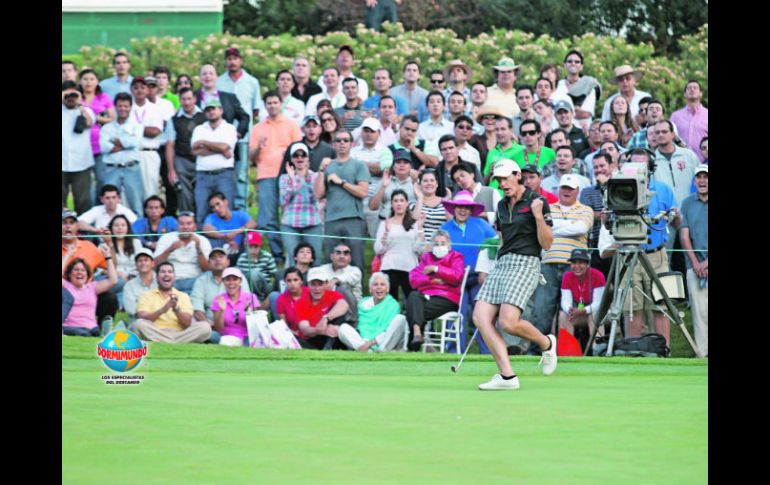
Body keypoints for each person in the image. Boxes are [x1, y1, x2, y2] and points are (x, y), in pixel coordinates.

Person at [473, 159, 557, 390]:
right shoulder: (501, 205)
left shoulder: (538, 201)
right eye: (498, 180)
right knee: (480, 317)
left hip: (527, 262)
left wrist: (538, 216)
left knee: (508, 322)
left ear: (517, 175)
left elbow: (547, 244)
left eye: (505, 178)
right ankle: (507, 376)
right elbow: (503, 239)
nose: (502, 183)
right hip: (503, 263)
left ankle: (547, 343)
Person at [530, 174, 594, 352]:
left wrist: (552, 226)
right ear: (559, 189)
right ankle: (538, 351)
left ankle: (572, 351)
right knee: (542, 311)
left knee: (573, 312)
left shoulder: (586, 209)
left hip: (575, 268)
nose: (566, 191)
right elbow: (540, 228)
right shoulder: (548, 207)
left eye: (570, 189)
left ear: (577, 191)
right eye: (564, 188)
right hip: (548, 263)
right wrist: (567, 225)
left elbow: (581, 228)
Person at [250, 90, 303, 263]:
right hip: (266, 175)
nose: (272, 105)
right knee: (269, 217)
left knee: (290, 214)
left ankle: (295, 252)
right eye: (269, 103)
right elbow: (251, 156)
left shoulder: (292, 124)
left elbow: (300, 150)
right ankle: (278, 254)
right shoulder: (258, 127)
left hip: (288, 174)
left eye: (275, 102)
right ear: (265, 106)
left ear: (281, 104)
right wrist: (259, 146)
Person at [314, 129, 370, 271]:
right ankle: (330, 292)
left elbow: (363, 192)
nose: (342, 143)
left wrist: (341, 183)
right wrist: (321, 171)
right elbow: (318, 194)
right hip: (331, 219)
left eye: (346, 140)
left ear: (352, 144)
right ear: (334, 144)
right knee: (329, 261)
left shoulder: (359, 165)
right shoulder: (328, 166)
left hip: (354, 219)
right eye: (338, 140)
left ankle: (356, 292)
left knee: (356, 260)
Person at [406, 230, 465, 350]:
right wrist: (431, 280)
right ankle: (417, 334)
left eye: (443, 243)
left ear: (449, 245)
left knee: (413, 310)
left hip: (447, 298)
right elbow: (413, 278)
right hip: (427, 296)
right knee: (413, 295)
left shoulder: (456, 257)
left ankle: (414, 344)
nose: (439, 246)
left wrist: (436, 268)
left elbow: (456, 276)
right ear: (432, 245)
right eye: (436, 244)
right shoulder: (426, 257)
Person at [132, 262, 212, 343]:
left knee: (205, 327)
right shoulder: (146, 295)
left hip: (180, 334)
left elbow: (187, 323)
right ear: (156, 277)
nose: (166, 274)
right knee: (139, 324)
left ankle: (165, 342)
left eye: (170, 272)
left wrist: (176, 308)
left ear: (174, 278)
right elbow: (142, 317)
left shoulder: (183, 296)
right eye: (163, 272)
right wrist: (163, 310)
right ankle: (175, 342)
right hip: (156, 331)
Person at [192, 98, 239, 227]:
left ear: (221, 110)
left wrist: (204, 142)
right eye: (208, 110)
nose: (211, 112)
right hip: (203, 175)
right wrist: (220, 149)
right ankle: (204, 245)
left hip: (224, 174)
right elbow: (195, 151)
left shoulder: (229, 128)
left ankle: (230, 243)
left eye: (214, 109)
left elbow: (225, 147)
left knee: (227, 211)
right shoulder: (199, 129)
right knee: (201, 211)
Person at [98, 93, 146, 215]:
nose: (123, 109)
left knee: (136, 204)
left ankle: (138, 234)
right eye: (120, 106)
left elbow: (135, 142)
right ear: (115, 107)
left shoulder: (137, 126)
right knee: (109, 205)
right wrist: (125, 144)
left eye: (126, 106)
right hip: (111, 168)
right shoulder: (107, 127)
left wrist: (115, 142)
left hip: (131, 168)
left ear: (130, 107)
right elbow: (103, 146)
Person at [374, 190, 424, 302]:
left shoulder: (414, 224)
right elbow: (378, 250)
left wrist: (420, 230)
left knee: (413, 302)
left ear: (407, 203)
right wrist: (386, 233)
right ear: (391, 204)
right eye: (395, 201)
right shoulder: (385, 223)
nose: (399, 203)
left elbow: (418, 249)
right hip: (389, 267)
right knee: (391, 303)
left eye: (402, 200)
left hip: (410, 268)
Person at [338, 272, 408, 352]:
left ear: (387, 289)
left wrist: (371, 342)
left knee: (400, 318)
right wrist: (365, 342)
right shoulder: (363, 303)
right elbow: (360, 326)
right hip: (363, 340)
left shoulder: (393, 305)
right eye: (375, 284)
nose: (379, 287)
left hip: (384, 342)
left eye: (382, 284)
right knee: (343, 328)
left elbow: (388, 330)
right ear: (370, 289)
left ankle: (380, 350)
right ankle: (367, 351)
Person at [191, 247, 249, 343]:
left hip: (238, 326)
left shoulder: (239, 278)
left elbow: (247, 302)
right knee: (210, 334)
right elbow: (197, 309)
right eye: (213, 258)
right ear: (209, 264)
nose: (217, 259)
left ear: (228, 262)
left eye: (221, 257)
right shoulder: (201, 281)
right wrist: (207, 323)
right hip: (212, 327)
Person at [680, 164, 708, 357]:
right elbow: (684, 236)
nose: (702, 181)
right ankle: (702, 354)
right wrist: (696, 263)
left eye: (706, 177)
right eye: (699, 177)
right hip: (694, 266)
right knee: (698, 313)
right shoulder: (688, 203)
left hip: (704, 264)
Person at [164, 87, 207, 214]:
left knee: (202, 193)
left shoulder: (204, 117)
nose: (187, 102)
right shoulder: (173, 120)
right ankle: (187, 224)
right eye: (183, 99)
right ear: (179, 100)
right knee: (184, 194)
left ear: (194, 99)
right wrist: (171, 171)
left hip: (202, 160)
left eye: (189, 99)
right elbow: (170, 145)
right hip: (182, 160)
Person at [350, 118, 394, 238]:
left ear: (378, 133)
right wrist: (373, 166)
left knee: (377, 239)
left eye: (372, 131)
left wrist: (359, 165)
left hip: (377, 201)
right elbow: (350, 173)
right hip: (356, 201)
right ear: (361, 132)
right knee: (356, 241)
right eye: (366, 131)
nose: (369, 134)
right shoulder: (352, 151)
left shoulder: (385, 151)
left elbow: (383, 170)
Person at [279, 142, 324, 260]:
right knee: (294, 259)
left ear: (308, 158)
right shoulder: (284, 178)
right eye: (296, 155)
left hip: (312, 222)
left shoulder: (315, 176)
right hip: (290, 223)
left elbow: (315, 197)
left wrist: (304, 178)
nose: (300, 158)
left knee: (315, 259)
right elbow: (284, 200)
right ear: (291, 159)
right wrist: (294, 180)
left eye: (303, 155)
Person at [62, 244, 118, 336]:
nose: (80, 272)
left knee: (93, 332)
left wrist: (108, 256)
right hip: (70, 326)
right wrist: (68, 254)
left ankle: (107, 332)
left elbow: (113, 280)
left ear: (87, 275)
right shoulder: (66, 286)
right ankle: (106, 333)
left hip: (91, 327)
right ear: (69, 274)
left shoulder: (92, 287)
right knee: (83, 334)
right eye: (76, 270)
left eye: (83, 270)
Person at [558, 249, 606, 351]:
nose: (577, 266)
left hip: (600, 313)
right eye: (574, 263)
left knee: (595, 314)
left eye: (581, 263)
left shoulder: (598, 275)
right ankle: (568, 352)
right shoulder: (567, 276)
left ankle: (598, 350)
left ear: (588, 264)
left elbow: (598, 304)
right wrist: (570, 310)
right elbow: (565, 302)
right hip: (579, 313)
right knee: (563, 315)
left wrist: (584, 310)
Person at [77, 69, 115, 197]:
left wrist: (95, 118)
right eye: (85, 79)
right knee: (83, 183)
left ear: (97, 82)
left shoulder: (103, 97)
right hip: (80, 146)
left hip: (99, 144)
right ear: (80, 81)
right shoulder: (76, 98)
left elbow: (112, 118)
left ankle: (100, 206)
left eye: (92, 79)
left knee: (102, 179)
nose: (88, 82)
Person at [153, 211, 212, 293]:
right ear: (177, 226)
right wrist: (169, 250)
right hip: (170, 280)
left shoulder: (202, 240)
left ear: (195, 226)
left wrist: (198, 248)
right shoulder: (166, 238)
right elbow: (154, 265)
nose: (185, 227)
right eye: (182, 224)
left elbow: (207, 269)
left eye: (188, 224)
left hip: (195, 280)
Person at [295, 267, 351, 350]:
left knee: (339, 316)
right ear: (308, 285)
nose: (317, 288)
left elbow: (344, 305)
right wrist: (321, 331)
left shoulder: (332, 295)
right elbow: (305, 330)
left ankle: (329, 346)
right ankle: (328, 347)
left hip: (332, 335)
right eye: (313, 284)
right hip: (314, 338)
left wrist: (326, 318)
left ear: (326, 284)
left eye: (320, 284)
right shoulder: (301, 302)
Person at [62, 80, 95, 215]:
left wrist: (79, 103)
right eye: (67, 94)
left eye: (73, 94)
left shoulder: (86, 111)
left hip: (81, 163)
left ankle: (83, 232)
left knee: (82, 200)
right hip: (62, 162)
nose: (70, 97)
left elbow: (89, 122)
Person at [128, 77, 164, 199]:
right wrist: (143, 129)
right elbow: (122, 131)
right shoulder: (127, 108)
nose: (139, 90)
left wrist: (134, 128)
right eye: (136, 87)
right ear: (131, 90)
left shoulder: (154, 109)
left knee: (150, 191)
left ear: (147, 89)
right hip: (130, 152)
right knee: (130, 192)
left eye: (142, 87)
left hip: (149, 152)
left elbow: (155, 131)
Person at [652, 120, 700, 205]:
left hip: (690, 210)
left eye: (664, 131)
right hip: (663, 213)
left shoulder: (689, 155)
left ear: (673, 134)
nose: (660, 134)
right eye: (657, 132)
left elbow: (702, 180)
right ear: (654, 136)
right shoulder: (651, 160)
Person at [554, 50, 601, 132]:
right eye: (570, 61)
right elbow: (552, 111)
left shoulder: (589, 85)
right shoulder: (557, 85)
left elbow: (586, 114)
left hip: (582, 132)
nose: (573, 63)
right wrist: (575, 109)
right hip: (559, 133)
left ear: (581, 66)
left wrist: (562, 112)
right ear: (564, 65)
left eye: (577, 62)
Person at [211, 267, 260, 346]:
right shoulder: (219, 299)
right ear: (223, 282)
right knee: (213, 336)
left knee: (252, 341)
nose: (231, 283)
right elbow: (218, 328)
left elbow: (255, 327)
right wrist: (222, 311)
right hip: (225, 337)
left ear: (240, 281)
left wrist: (248, 312)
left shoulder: (250, 297)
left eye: (235, 279)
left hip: (246, 337)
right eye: (228, 279)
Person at [369, 149, 417, 224]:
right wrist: (383, 186)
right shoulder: (385, 181)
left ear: (410, 166)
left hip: (409, 224)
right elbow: (373, 207)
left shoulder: (416, 182)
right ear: (393, 167)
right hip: (385, 222)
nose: (402, 165)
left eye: (405, 162)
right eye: (398, 162)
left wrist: (415, 183)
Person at [104, 214, 142, 301]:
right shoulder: (104, 245)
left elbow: (141, 263)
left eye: (123, 225)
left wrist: (130, 276)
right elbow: (103, 270)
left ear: (128, 228)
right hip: (115, 279)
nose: (119, 228)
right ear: (111, 228)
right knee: (121, 282)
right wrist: (117, 273)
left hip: (133, 277)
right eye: (116, 225)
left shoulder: (136, 243)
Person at [670, 80, 708, 162]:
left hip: (704, 163)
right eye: (689, 88)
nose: (692, 89)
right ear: (685, 94)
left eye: (695, 88)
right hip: (681, 163)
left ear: (701, 93)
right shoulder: (675, 116)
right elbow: (670, 139)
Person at [235, 231, 277, 303]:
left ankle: (259, 299)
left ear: (260, 247)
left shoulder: (267, 257)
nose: (253, 250)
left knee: (254, 273)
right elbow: (239, 275)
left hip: (264, 287)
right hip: (248, 286)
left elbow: (274, 274)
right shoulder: (242, 258)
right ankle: (248, 299)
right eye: (250, 247)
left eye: (256, 247)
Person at [484, 117, 523, 190]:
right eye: (497, 129)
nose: (499, 133)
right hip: (492, 196)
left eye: (503, 129)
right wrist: (490, 173)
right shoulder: (492, 152)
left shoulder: (521, 150)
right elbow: (484, 182)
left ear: (511, 130)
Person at [411, 169, 449, 242]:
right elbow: (414, 221)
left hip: (441, 246)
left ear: (437, 184)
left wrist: (447, 204)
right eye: (425, 181)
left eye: (432, 180)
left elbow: (451, 222)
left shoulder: (445, 202)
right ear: (420, 184)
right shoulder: (413, 204)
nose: (429, 183)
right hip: (420, 246)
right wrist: (420, 197)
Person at [123, 248, 157, 324]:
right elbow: (131, 310)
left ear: (152, 263)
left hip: (160, 320)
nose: (143, 263)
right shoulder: (129, 285)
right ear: (136, 264)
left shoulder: (161, 282)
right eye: (140, 261)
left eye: (146, 260)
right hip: (138, 322)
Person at [275, 267, 310, 334]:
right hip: (294, 334)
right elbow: (284, 325)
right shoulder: (281, 299)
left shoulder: (311, 293)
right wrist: (293, 333)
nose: (292, 283)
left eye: (295, 280)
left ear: (301, 281)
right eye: (289, 280)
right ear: (285, 282)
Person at [469, 105, 502, 174]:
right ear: (481, 121)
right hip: (480, 179)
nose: (490, 120)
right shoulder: (475, 139)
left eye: (494, 117)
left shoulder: (503, 140)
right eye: (486, 117)